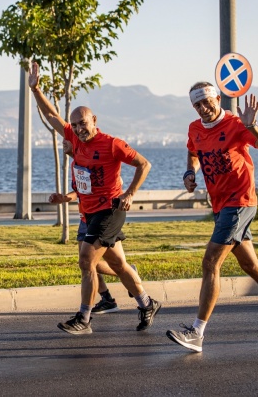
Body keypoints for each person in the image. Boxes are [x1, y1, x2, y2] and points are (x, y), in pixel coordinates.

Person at [166, 82, 258, 353]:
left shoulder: (235, 124)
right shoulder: (195, 128)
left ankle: (197, 332)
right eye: (197, 105)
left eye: (207, 101)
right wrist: (190, 172)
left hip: (240, 202)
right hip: (221, 205)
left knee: (210, 262)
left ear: (217, 98)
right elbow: (193, 151)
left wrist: (251, 125)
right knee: (251, 266)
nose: (203, 108)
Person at [29, 61, 160, 335]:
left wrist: (130, 193)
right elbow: (52, 115)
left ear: (94, 121)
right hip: (89, 212)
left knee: (86, 259)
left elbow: (144, 164)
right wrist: (36, 89)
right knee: (118, 264)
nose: (78, 128)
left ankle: (84, 319)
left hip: (111, 209)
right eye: (74, 125)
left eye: (83, 123)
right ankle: (146, 303)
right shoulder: (75, 141)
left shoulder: (112, 144)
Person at [48, 140, 140, 315]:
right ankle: (107, 298)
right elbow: (80, 192)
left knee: (90, 263)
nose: (65, 145)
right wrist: (64, 198)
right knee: (88, 263)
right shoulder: (78, 165)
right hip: (85, 219)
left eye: (68, 143)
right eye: (64, 143)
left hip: (102, 219)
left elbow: (108, 187)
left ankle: (128, 281)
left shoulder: (100, 164)